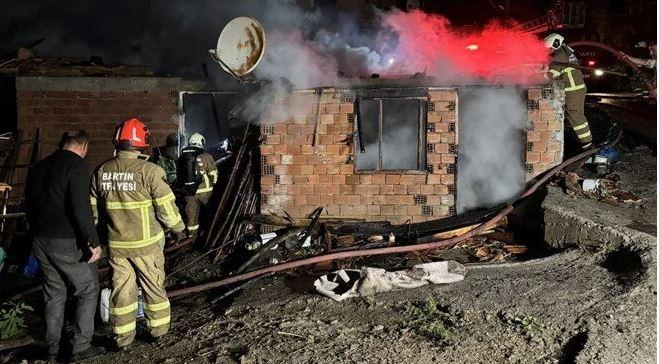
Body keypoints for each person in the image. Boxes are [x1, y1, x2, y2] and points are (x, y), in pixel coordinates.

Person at [90, 118, 185, 350]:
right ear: (141, 143)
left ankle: (122, 338)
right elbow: (166, 207)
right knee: (153, 286)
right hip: (147, 244)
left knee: (121, 290)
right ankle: (159, 331)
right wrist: (179, 230)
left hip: (117, 245)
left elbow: (92, 210)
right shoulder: (150, 171)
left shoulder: (102, 171)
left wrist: (96, 238)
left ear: (118, 140)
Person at [25, 130, 105, 362]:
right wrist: (93, 242)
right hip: (66, 241)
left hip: (41, 240)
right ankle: (81, 347)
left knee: (54, 292)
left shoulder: (39, 168)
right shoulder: (77, 166)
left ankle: (52, 348)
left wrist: (36, 233)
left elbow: (28, 204)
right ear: (83, 146)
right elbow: (81, 209)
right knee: (87, 290)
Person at [544, 33, 593, 150]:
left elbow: (549, 76)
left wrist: (538, 73)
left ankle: (587, 145)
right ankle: (586, 142)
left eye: (549, 48)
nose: (548, 51)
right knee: (577, 116)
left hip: (573, 89)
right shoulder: (564, 51)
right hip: (574, 88)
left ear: (556, 44)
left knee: (575, 117)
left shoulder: (560, 55)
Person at [176, 133, 218, 237]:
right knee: (209, 213)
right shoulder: (205, 156)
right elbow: (213, 174)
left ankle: (191, 238)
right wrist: (215, 183)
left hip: (189, 192)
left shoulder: (182, 156)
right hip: (205, 193)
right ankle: (209, 235)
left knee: (191, 218)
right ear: (200, 142)